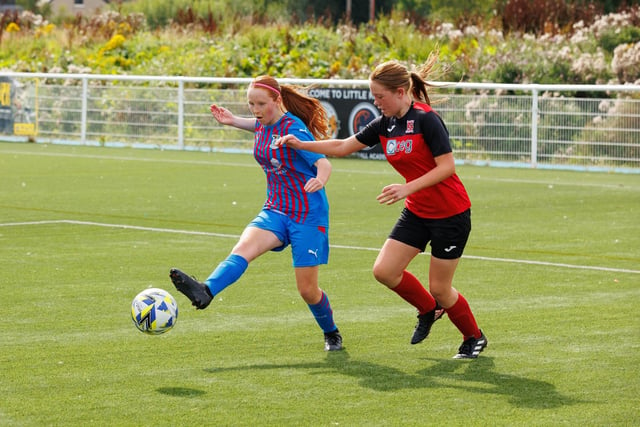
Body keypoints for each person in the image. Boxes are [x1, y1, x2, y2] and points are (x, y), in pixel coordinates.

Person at [276, 53, 487, 359]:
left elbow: (447, 167)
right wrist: (300, 143)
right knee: (385, 271)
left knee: (441, 287)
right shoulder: (385, 124)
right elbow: (343, 146)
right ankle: (429, 309)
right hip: (418, 211)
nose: (376, 102)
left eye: (380, 96)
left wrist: (406, 188)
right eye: (373, 97)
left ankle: (473, 337)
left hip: (450, 214)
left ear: (401, 92)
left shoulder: (426, 119)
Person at [170, 75, 343, 351]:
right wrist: (233, 120)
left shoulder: (294, 129)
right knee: (243, 249)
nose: (255, 110)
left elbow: (322, 162)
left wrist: (321, 178)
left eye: (261, 104)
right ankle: (206, 291)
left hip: (307, 215)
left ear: (278, 100)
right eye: (250, 104)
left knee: (307, 290)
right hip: (275, 209)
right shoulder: (262, 123)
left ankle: (331, 332)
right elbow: (257, 125)